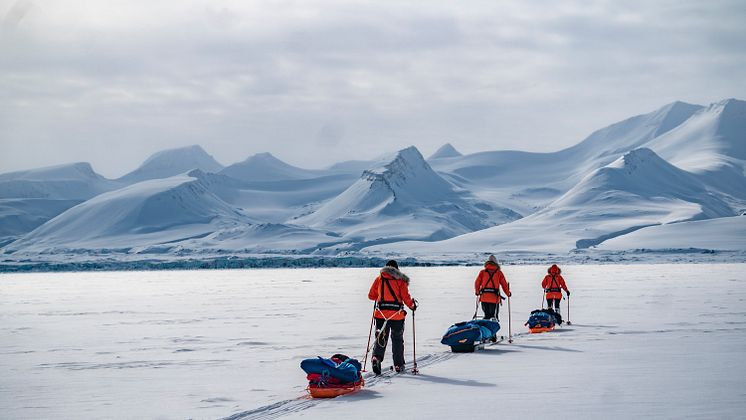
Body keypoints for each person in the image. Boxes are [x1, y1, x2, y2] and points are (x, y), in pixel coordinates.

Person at [368, 260, 417, 374]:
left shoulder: (379, 279)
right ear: (397, 269)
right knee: (397, 339)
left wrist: (380, 296)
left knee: (381, 338)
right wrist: (412, 306)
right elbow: (405, 297)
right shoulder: (401, 280)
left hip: (381, 315)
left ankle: (376, 358)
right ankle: (399, 365)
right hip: (397, 316)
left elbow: (371, 296)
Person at [474, 255, 511, 320]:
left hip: (484, 298)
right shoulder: (499, 273)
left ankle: (486, 328)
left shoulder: (482, 272)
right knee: (494, 317)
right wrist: (508, 293)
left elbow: (477, 283)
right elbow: (504, 285)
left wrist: (477, 292)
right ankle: (492, 328)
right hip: (494, 299)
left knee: (487, 316)